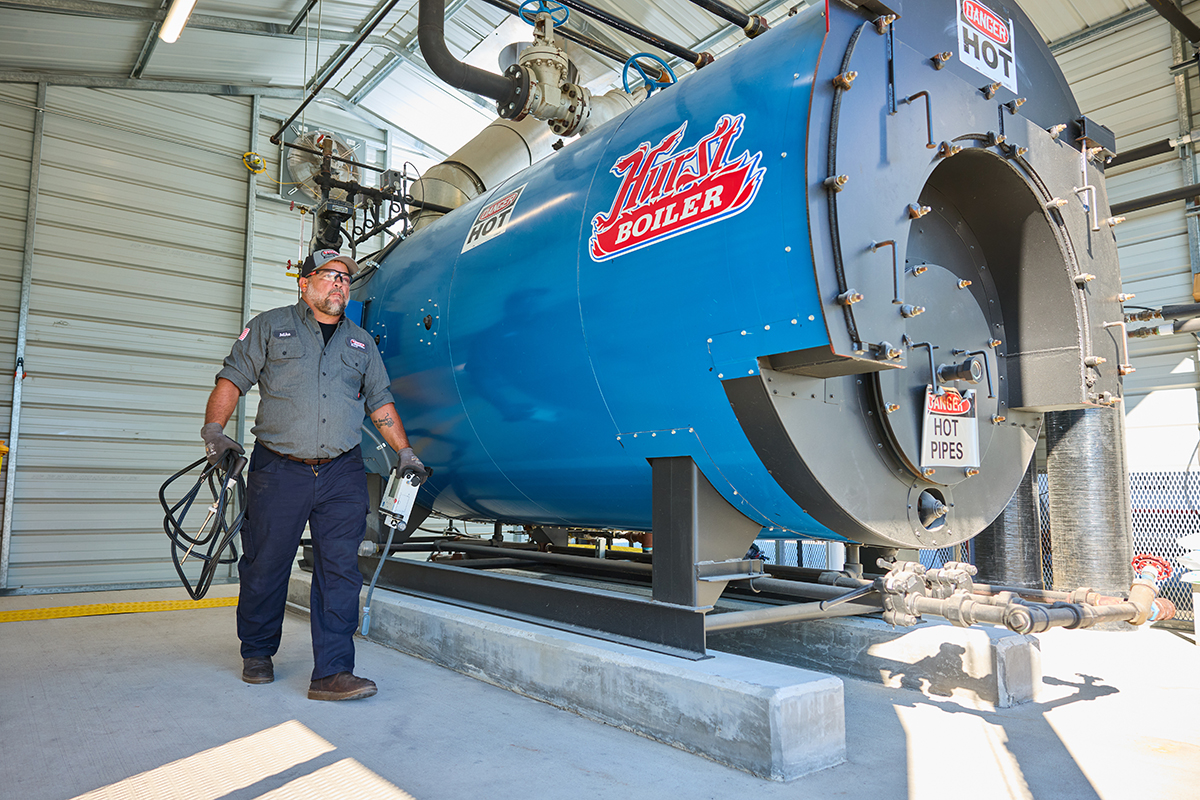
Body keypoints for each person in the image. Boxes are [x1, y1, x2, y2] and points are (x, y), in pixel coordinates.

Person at [200, 248, 423, 701]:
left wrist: (405, 452)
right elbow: (232, 380)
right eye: (329, 275)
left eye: (345, 277)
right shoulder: (269, 326)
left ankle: (333, 672)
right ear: (304, 284)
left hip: (342, 471)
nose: (339, 283)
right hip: (279, 467)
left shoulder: (361, 343)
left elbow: (380, 401)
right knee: (266, 563)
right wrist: (214, 431)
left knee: (340, 571)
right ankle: (257, 652)